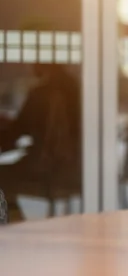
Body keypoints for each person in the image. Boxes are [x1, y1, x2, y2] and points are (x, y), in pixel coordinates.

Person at [0, 63, 80, 222]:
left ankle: (15, 228)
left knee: (2, 178)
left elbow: (18, 131)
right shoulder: (78, 89)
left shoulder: (42, 94)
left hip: (49, 170)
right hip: (75, 169)